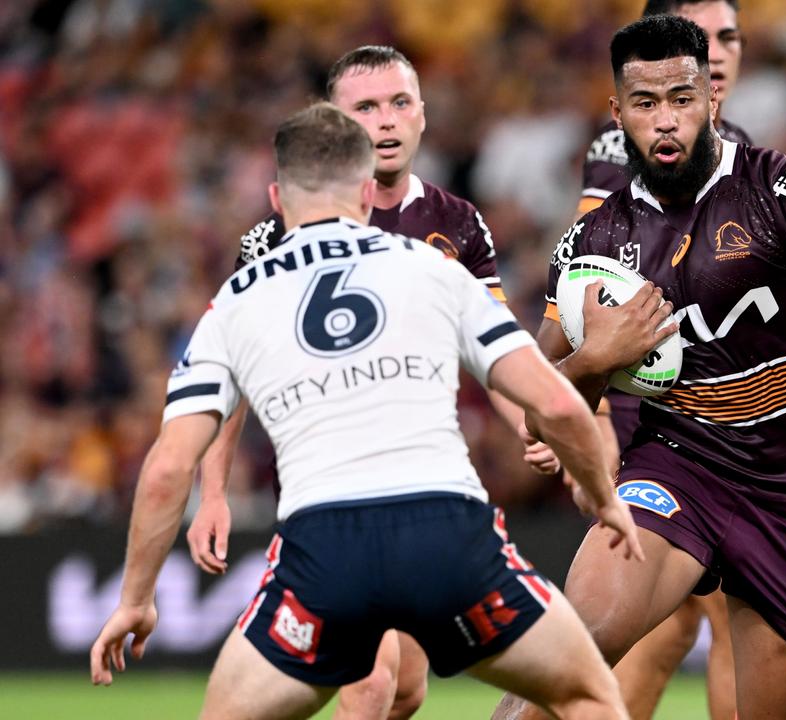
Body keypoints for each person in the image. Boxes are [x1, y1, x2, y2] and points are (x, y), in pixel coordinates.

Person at [89, 102, 646, 720]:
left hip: (323, 551)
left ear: (277, 197)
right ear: (364, 190)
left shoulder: (237, 299)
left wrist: (136, 599)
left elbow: (168, 469)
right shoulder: (433, 268)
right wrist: (601, 494)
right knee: (587, 694)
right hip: (448, 537)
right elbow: (554, 402)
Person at [498, 16, 786, 720]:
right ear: (618, 113)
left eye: (682, 98)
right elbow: (539, 405)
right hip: (677, 473)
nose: (666, 120)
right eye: (646, 104)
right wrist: (599, 356)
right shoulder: (598, 241)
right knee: (563, 662)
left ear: (713, 100)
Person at [187, 46, 557, 720]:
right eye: (365, 107)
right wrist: (212, 490)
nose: (385, 121)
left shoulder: (457, 223)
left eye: (399, 103)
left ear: (423, 115)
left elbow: (497, 350)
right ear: (337, 122)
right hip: (327, 493)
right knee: (371, 684)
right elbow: (227, 377)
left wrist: (533, 425)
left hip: (424, 481)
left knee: (406, 691)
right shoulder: (277, 234)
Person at [574, 3, 749, 718]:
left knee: (669, 625)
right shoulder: (623, 150)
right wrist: (592, 422)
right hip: (648, 425)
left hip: (718, 426)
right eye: (701, 38)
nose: (718, 52)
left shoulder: (742, 152)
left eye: (729, 37)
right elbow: (593, 283)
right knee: (728, 616)